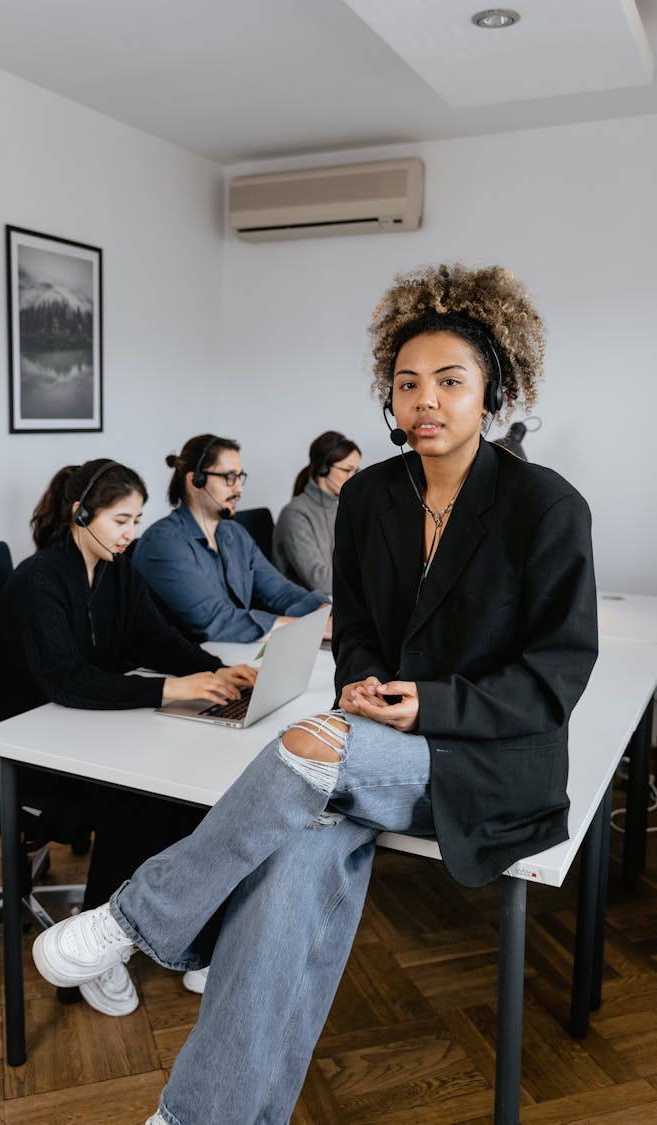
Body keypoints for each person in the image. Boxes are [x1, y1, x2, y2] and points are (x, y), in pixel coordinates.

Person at [32, 264, 598, 1125]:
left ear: (493, 390)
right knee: (295, 858)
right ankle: (198, 1117)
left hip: (484, 757)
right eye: (407, 383)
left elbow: (556, 675)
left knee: (307, 745)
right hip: (378, 742)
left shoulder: (546, 505)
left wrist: (430, 706)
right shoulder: (370, 494)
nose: (426, 401)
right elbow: (361, 623)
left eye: (451, 381)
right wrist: (364, 680)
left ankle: (137, 917)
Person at [0, 458, 256, 1015]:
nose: (131, 533)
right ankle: (96, 944)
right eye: (120, 520)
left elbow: (156, 637)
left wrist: (214, 671)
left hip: (90, 727)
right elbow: (66, 680)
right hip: (29, 743)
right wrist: (171, 690)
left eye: (136, 520)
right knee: (135, 799)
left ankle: (182, 930)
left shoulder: (116, 569)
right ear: (80, 514)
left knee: (187, 794)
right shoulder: (39, 580)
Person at [132, 434, 330, 642]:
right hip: (188, 664)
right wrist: (309, 627)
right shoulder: (163, 544)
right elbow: (215, 621)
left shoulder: (234, 535)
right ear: (195, 481)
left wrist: (324, 611)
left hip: (233, 653)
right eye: (229, 478)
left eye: (239, 477)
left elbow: (280, 592)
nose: (239, 488)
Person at [272, 430, 361, 596]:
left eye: (356, 471)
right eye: (346, 470)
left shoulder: (340, 507)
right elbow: (320, 581)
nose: (353, 478)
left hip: (335, 600)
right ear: (323, 469)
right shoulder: (295, 515)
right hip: (308, 607)